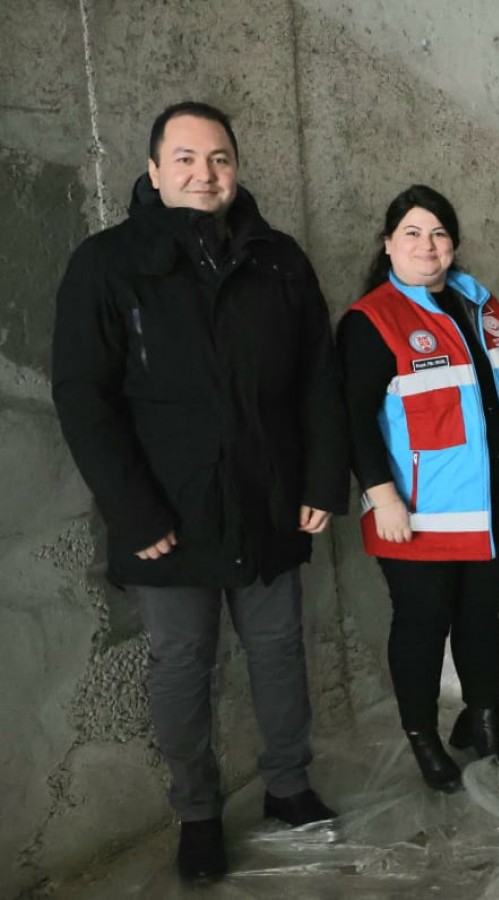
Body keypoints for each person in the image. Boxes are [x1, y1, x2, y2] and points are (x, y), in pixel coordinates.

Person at [50, 101, 347, 882]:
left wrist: (321, 478)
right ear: (153, 171)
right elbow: (83, 397)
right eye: (184, 159)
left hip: (269, 499)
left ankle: (288, 786)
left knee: (280, 651)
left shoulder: (278, 259)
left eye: (217, 158)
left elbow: (319, 377)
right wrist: (134, 511)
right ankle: (199, 814)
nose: (203, 173)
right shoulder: (107, 264)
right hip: (168, 517)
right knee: (183, 663)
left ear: (236, 168)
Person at [338, 185, 499, 793]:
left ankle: (485, 723)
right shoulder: (372, 321)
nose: (428, 246)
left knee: (481, 618)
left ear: (454, 245)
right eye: (413, 234)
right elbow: (351, 417)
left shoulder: (481, 307)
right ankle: (423, 737)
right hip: (417, 514)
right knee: (421, 626)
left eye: (439, 234)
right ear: (388, 243)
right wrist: (381, 496)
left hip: (490, 503)